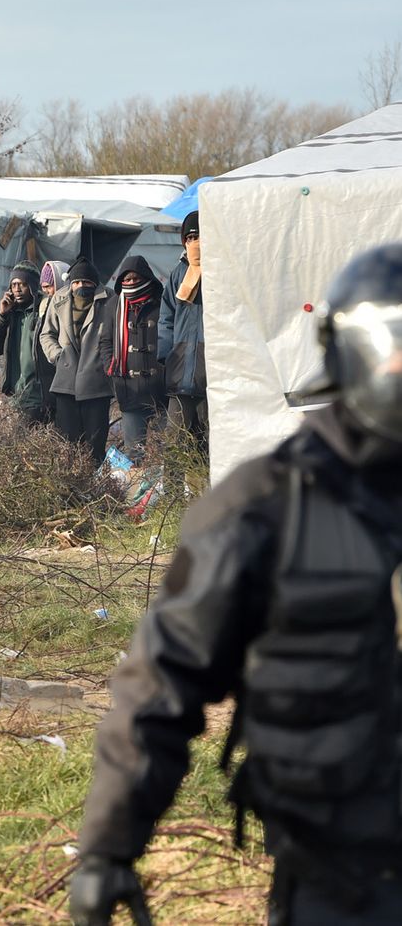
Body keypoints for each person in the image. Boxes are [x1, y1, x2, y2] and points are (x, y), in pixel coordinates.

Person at [70, 242, 402, 926]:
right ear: (347, 350)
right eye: (391, 339)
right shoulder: (266, 507)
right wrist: (108, 851)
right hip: (342, 876)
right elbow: (161, 683)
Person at [40, 258, 115, 464]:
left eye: (86, 282)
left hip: (97, 385)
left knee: (94, 448)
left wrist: (107, 361)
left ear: (95, 283)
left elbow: (117, 336)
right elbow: (47, 334)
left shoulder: (109, 299)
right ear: (70, 283)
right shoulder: (59, 299)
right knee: (67, 447)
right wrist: (57, 355)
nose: (81, 286)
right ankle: (70, 491)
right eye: (76, 282)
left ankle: (94, 491)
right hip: (66, 383)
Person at [100, 257, 165, 463]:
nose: (130, 283)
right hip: (130, 390)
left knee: (167, 453)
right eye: (125, 279)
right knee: (135, 455)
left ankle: (168, 494)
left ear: (146, 278)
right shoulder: (114, 305)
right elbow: (105, 341)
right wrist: (110, 367)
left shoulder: (161, 301)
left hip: (162, 391)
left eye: (135, 278)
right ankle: (137, 494)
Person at [160, 211, 208, 457]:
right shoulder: (178, 274)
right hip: (180, 375)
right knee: (175, 446)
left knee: (209, 448)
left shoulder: (221, 271)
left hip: (212, 376)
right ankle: (172, 495)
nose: (194, 242)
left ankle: (209, 494)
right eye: (189, 237)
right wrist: (166, 355)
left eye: (198, 236)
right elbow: (166, 318)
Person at [0, 261, 46, 423]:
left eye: (23, 284)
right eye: (13, 285)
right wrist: (2, 316)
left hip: (38, 395)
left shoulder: (43, 310)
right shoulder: (9, 313)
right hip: (15, 395)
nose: (17, 289)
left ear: (33, 286)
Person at [36, 260, 71, 412]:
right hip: (47, 374)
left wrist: (61, 358)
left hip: (65, 373)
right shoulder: (43, 306)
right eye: (44, 287)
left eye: (49, 286)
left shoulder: (71, 306)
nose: (47, 291)